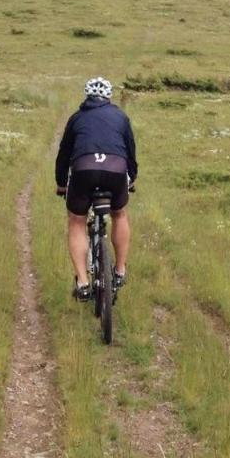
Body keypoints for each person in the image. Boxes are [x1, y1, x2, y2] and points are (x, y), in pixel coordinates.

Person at [55, 76, 137, 301]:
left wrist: (62, 183)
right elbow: (130, 151)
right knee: (119, 214)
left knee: (76, 221)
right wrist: (132, 179)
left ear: (87, 96)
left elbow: (63, 155)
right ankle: (119, 271)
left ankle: (82, 282)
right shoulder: (120, 116)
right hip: (116, 170)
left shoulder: (76, 118)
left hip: (83, 170)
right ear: (109, 97)